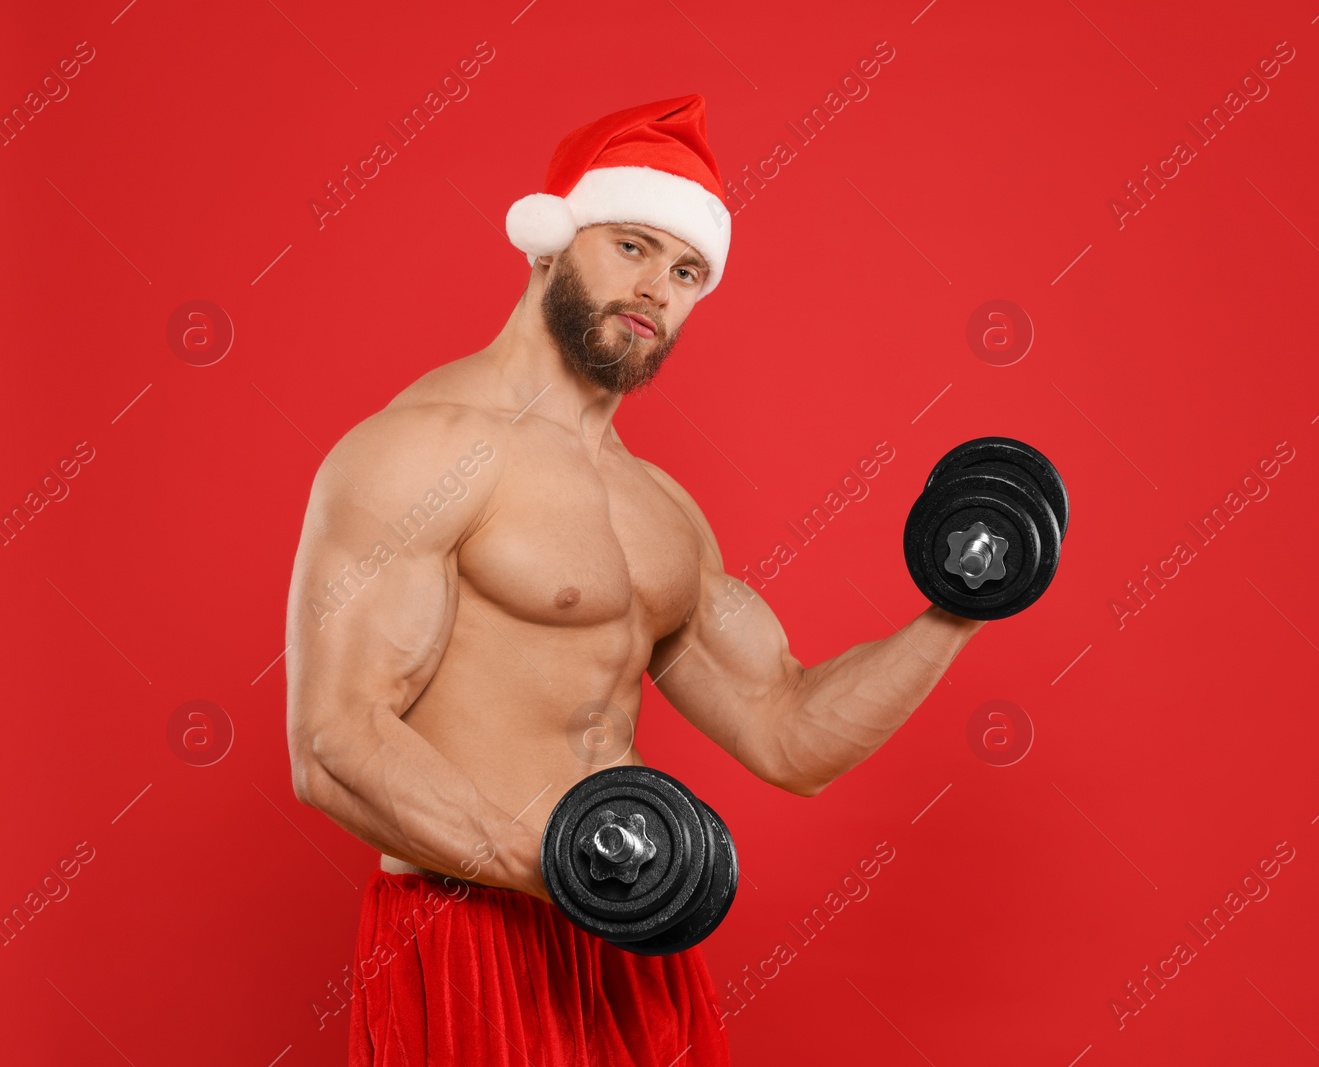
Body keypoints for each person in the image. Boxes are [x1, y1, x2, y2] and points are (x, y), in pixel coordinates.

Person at [284, 94, 984, 1066]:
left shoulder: (659, 511)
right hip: (471, 929)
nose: (658, 285)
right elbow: (333, 740)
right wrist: (579, 871)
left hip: (627, 933)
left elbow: (789, 732)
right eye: (631, 245)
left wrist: (960, 604)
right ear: (550, 242)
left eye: (688, 268)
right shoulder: (419, 449)